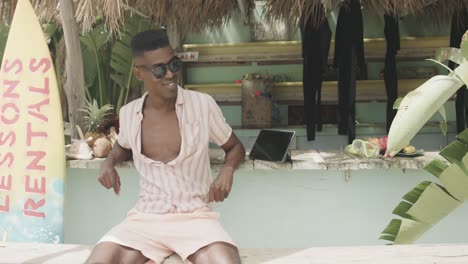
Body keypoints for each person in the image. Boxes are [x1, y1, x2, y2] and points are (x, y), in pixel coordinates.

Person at [85, 29, 245, 264]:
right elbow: (124, 145)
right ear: (139, 73)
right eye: (159, 70)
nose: (170, 74)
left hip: (195, 217)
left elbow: (235, 146)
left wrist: (227, 171)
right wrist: (109, 162)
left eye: (174, 64)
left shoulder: (202, 105)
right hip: (145, 219)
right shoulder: (130, 114)